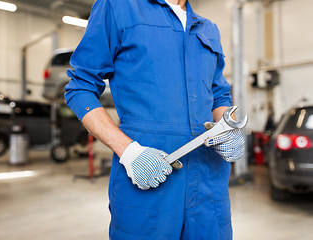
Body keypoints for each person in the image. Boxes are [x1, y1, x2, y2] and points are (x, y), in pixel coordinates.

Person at [64, 0, 245, 239]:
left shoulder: (208, 28)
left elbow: (219, 94)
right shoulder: (118, 7)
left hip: (209, 188)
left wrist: (227, 129)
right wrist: (128, 151)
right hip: (149, 182)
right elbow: (80, 89)